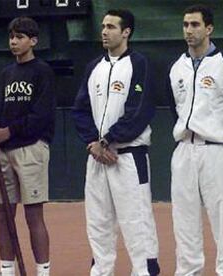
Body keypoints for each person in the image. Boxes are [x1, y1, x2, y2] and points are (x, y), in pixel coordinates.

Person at [72, 9, 160, 276]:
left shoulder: (140, 64)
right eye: (103, 26)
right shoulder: (94, 67)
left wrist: (109, 140)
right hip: (97, 158)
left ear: (126, 32)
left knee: (137, 221)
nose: (104, 31)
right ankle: (101, 271)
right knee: (98, 222)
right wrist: (92, 143)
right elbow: (80, 110)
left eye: (111, 27)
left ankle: (145, 271)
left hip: (128, 157)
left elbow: (139, 111)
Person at [167, 4, 223, 276]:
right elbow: (174, 109)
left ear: (209, 28)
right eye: (185, 25)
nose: (189, 30)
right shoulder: (176, 68)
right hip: (184, 151)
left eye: (195, 25)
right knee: (184, 220)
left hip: (218, 151)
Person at [0, 17, 56, 276]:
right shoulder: (5, 74)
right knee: (3, 213)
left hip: (31, 148)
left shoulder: (42, 71)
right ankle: (7, 269)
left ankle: (42, 271)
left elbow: (42, 115)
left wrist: (8, 131)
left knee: (33, 214)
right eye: (11, 37)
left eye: (20, 37)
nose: (14, 42)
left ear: (33, 41)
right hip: (4, 151)